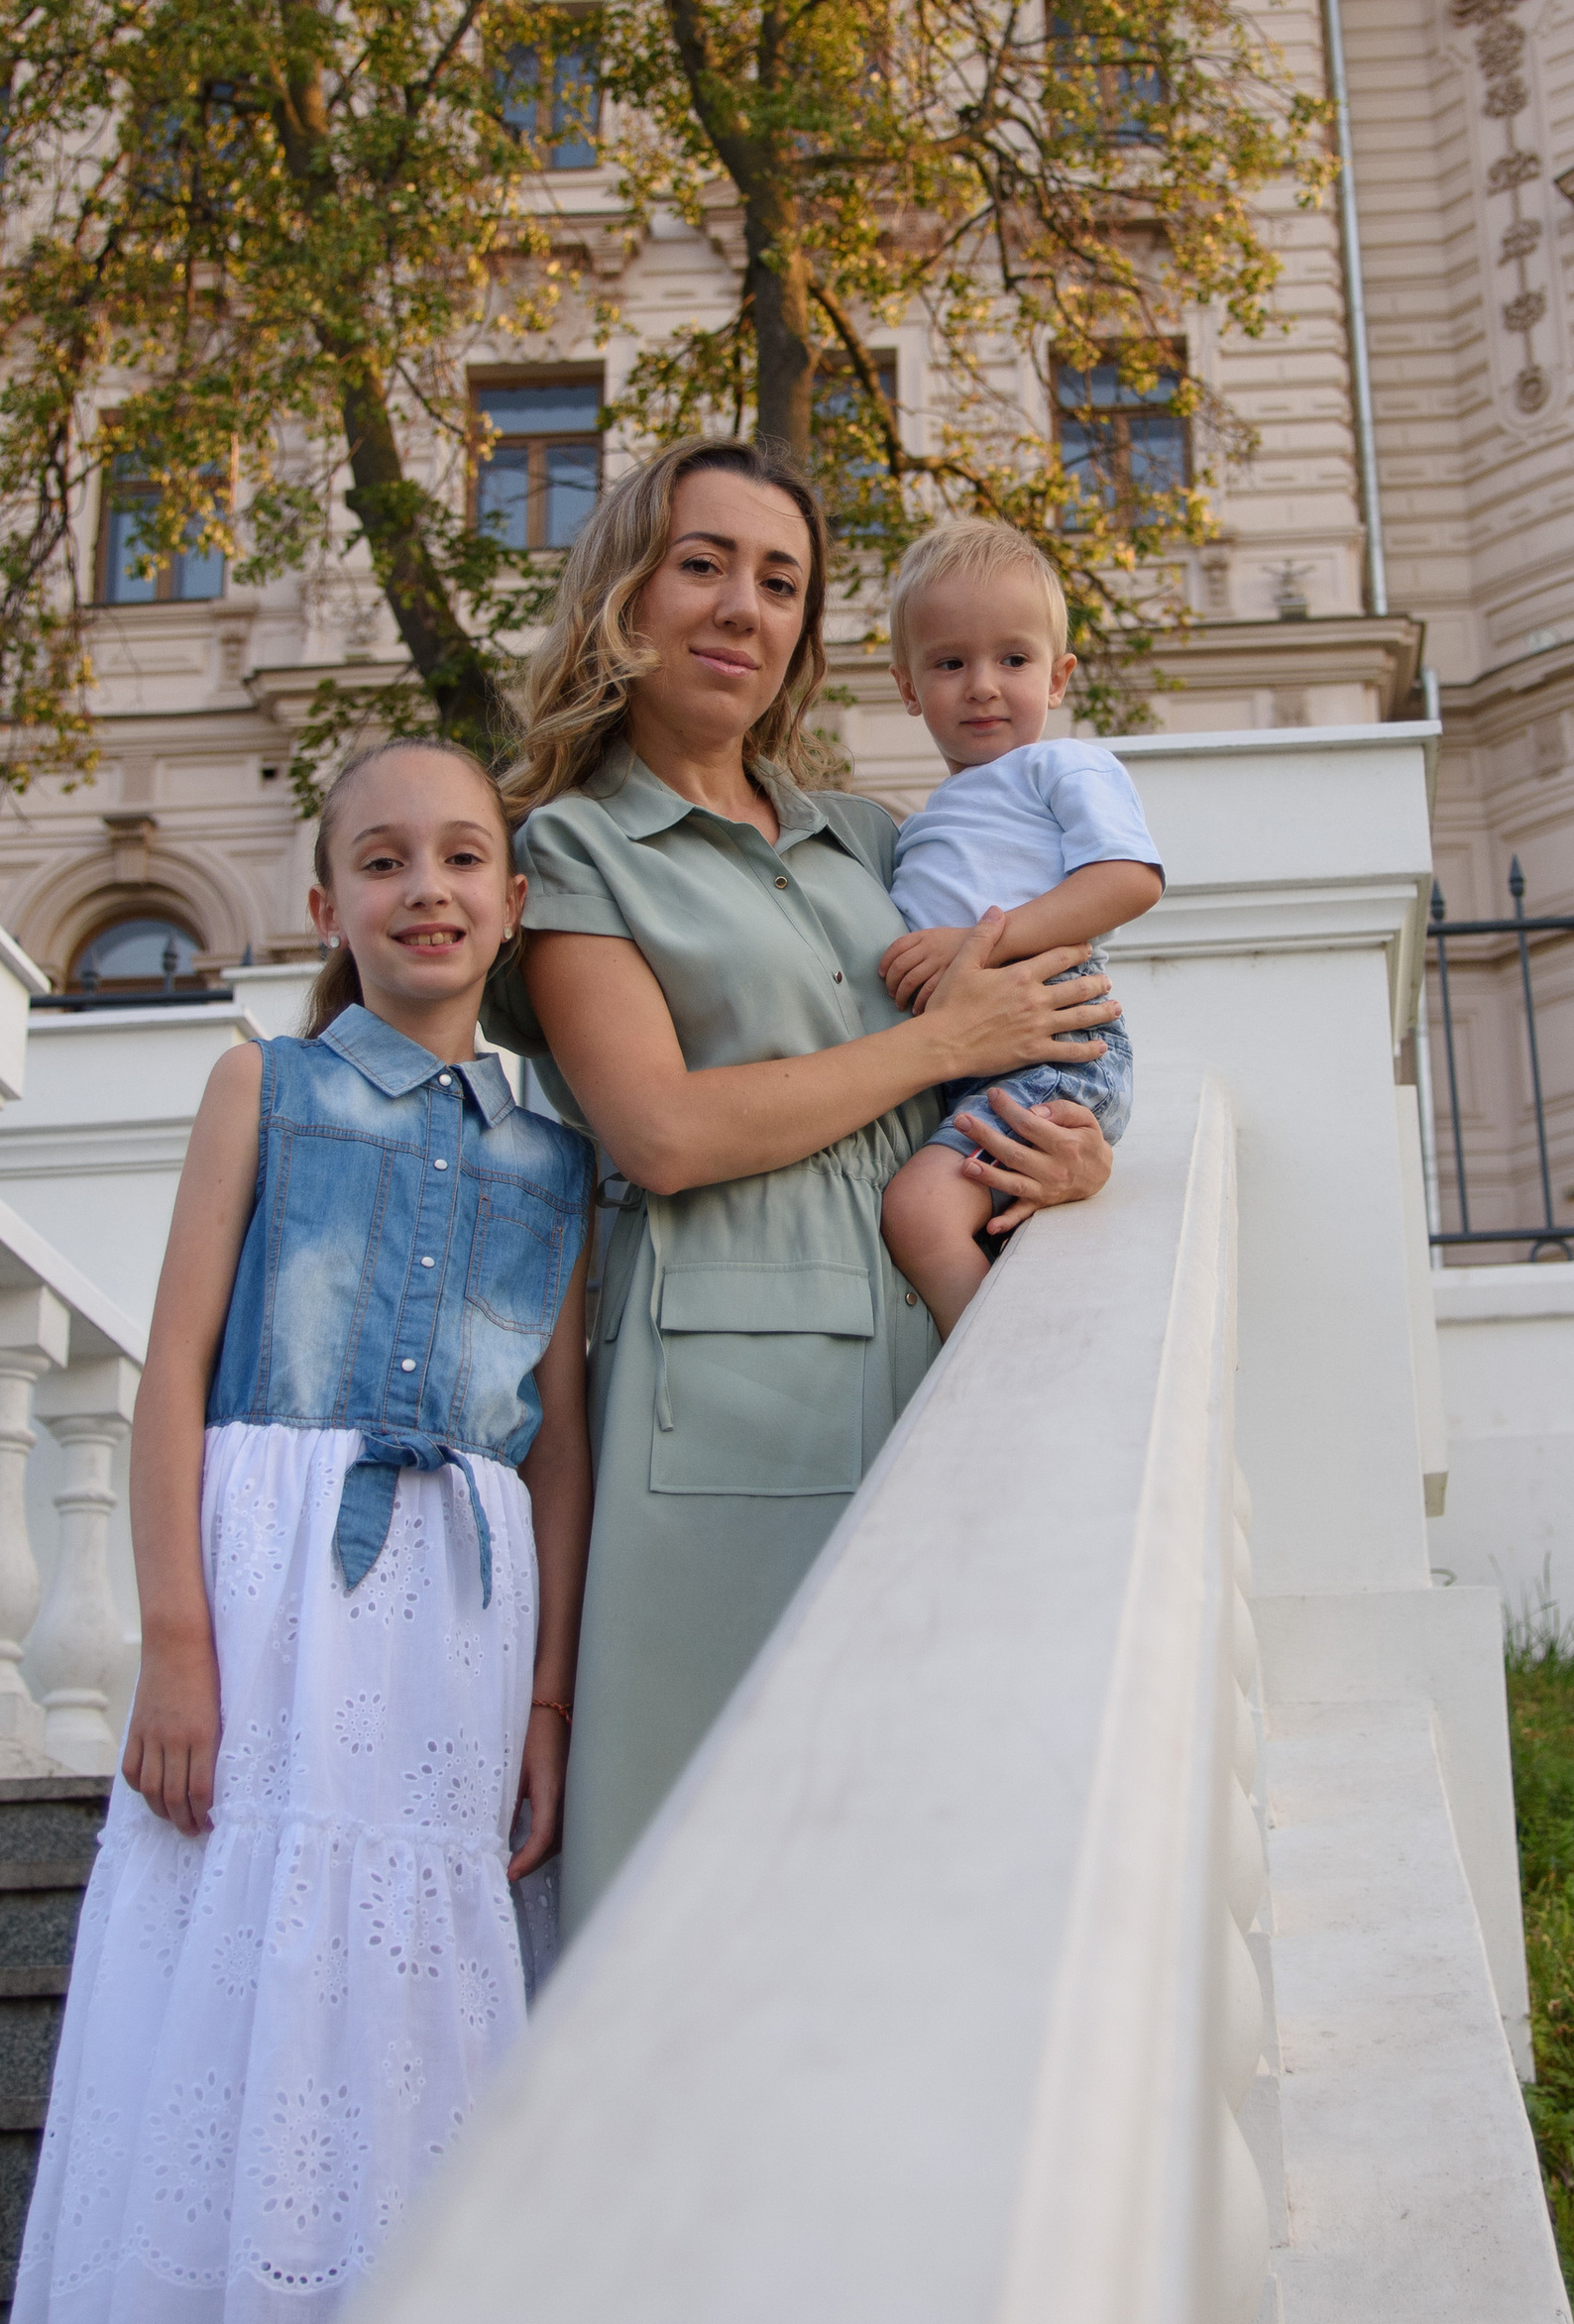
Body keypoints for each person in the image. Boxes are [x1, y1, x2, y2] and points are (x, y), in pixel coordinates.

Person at [1, 735, 594, 2324]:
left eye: (464, 859)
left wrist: (546, 1696)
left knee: (406, 2003)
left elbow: (563, 1435)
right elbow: (170, 1369)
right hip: (276, 1571)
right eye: (382, 861)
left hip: (460, 1594)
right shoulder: (260, 1083)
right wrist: (174, 1635)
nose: (427, 890)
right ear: (324, 900)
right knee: (274, 1978)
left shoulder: (556, 1140)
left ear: (510, 898)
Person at [485, 434, 1119, 1926]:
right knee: (711, 1875)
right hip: (717, 1411)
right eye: (703, 564)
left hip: (930, 1369)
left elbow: (1036, 1022)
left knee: (920, 1867)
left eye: (781, 582)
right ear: (626, 594)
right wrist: (941, 1041)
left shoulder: (875, 843)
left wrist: (1068, 1146)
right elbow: (662, 1133)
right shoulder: (573, 854)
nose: (742, 608)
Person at [875, 519, 1164, 1334]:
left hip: (1057, 1037)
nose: (982, 685)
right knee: (970, 1221)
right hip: (973, 1055)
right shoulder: (925, 822)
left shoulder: (1061, 766)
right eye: (949, 662)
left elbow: (1128, 880)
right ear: (907, 688)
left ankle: (997, 1377)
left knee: (921, 1213)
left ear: (1059, 675)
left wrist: (979, 944)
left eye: (1013, 659)